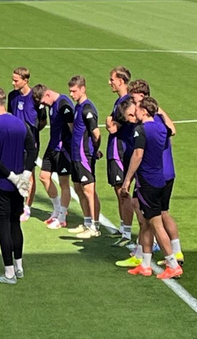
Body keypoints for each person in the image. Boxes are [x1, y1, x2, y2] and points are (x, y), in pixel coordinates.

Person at [116, 79, 183, 269]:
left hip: (154, 175)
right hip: (162, 173)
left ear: (142, 97)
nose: (132, 103)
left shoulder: (149, 123)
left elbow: (139, 154)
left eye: (134, 99)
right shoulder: (157, 120)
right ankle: (168, 253)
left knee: (150, 217)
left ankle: (158, 257)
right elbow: (172, 130)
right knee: (157, 214)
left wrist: (128, 180)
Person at [0, 88, 34, 285]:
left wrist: (11, 177)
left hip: (0, 183)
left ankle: (9, 273)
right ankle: (19, 267)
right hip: (18, 186)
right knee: (15, 224)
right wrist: (24, 175)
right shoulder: (21, 124)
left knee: (3, 228)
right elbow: (32, 150)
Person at [32, 84, 76, 229]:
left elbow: (73, 128)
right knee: (44, 176)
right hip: (53, 146)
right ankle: (57, 210)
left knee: (64, 182)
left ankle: (62, 217)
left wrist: (74, 148)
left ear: (48, 94)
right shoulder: (52, 105)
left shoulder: (63, 104)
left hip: (63, 149)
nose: (43, 104)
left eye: (43, 101)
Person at [68, 76, 103, 239]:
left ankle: (95, 226)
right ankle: (87, 222)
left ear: (83, 89)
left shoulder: (88, 109)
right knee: (78, 188)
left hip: (84, 155)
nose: (71, 94)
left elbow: (96, 134)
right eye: (70, 91)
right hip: (76, 154)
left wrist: (95, 150)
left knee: (89, 190)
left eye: (74, 91)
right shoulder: (78, 107)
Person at [105, 66, 135, 247]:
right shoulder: (119, 101)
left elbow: (112, 127)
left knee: (123, 192)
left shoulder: (127, 102)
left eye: (112, 79)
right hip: (116, 150)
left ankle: (127, 232)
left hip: (121, 151)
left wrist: (110, 120)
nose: (110, 82)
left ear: (121, 81)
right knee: (118, 190)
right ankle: (123, 228)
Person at [7, 67, 40, 222]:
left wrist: (31, 138)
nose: (13, 83)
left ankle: (27, 207)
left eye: (16, 80)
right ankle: (15, 203)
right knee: (14, 171)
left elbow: (42, 121)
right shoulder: (12, 96)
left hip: (29, 143)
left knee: (29, 174)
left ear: (25, 80)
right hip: (14, 142)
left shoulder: (35, 97)